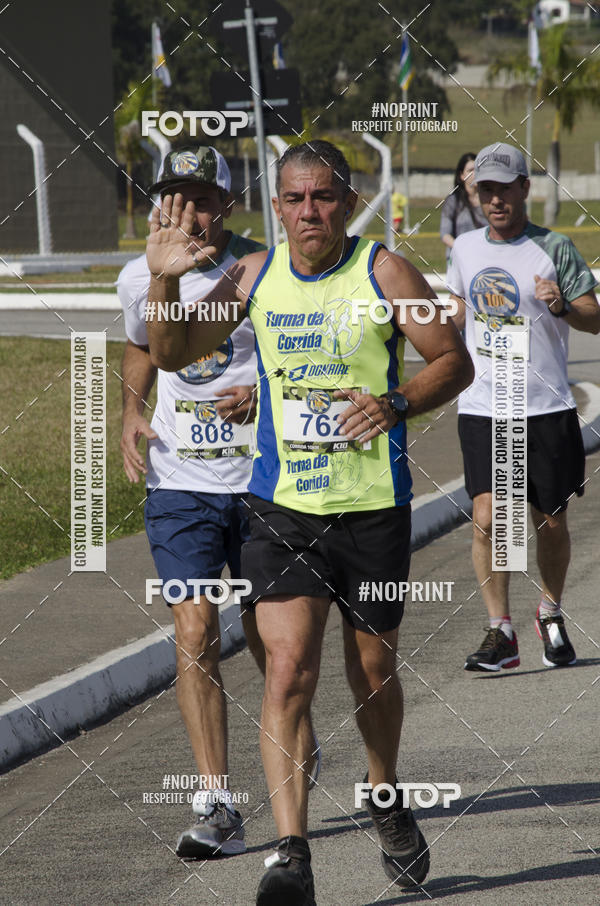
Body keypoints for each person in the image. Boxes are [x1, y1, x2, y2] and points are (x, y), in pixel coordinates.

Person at [143, 139, 473, 904]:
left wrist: (394, 403)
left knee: (373, 672)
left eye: (322, 197)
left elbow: (451, 359)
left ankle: (384, 791)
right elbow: (172, 351)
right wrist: (163, 281)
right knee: (288, 669)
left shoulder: (384, 270)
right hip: (282, 507)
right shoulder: (253, 275)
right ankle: (291, 854)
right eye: (292, 199)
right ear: (276, 206)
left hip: (369, 506)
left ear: (348, 202)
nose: (307, 213)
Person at [118, 144, 279, 859]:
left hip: (263, 482)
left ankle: (289, 785)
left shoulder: (263, 269)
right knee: (193, 631)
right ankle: (216, 801)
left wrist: (263, 395)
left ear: (227, 204)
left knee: (279, 645)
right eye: (172, 198)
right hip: (179, 483)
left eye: (199, 199)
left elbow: (305, 355)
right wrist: (129, 410)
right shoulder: (140, 272)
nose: (184, 212)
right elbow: (140, 348)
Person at [448, 142, 600, 673]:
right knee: (491, 517)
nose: (494, 199)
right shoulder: (464, 249)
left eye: (503, 189)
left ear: (524, 189)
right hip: (486, 403)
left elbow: (593, 316)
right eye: (484, 190)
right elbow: (457, 312)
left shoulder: (554, 248)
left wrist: (560, 303)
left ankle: (550, 611)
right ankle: (501, 632)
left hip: (545, 405)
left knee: (549, 522)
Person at [440, 152, 487, 263]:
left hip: (485, 258)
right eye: (470, 170)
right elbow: (445, 235)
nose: (475, 173)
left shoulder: (489, 200)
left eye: (477, 169)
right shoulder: (453, 201)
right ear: (462, 175)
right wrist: (463, 249)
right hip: (460, 259)